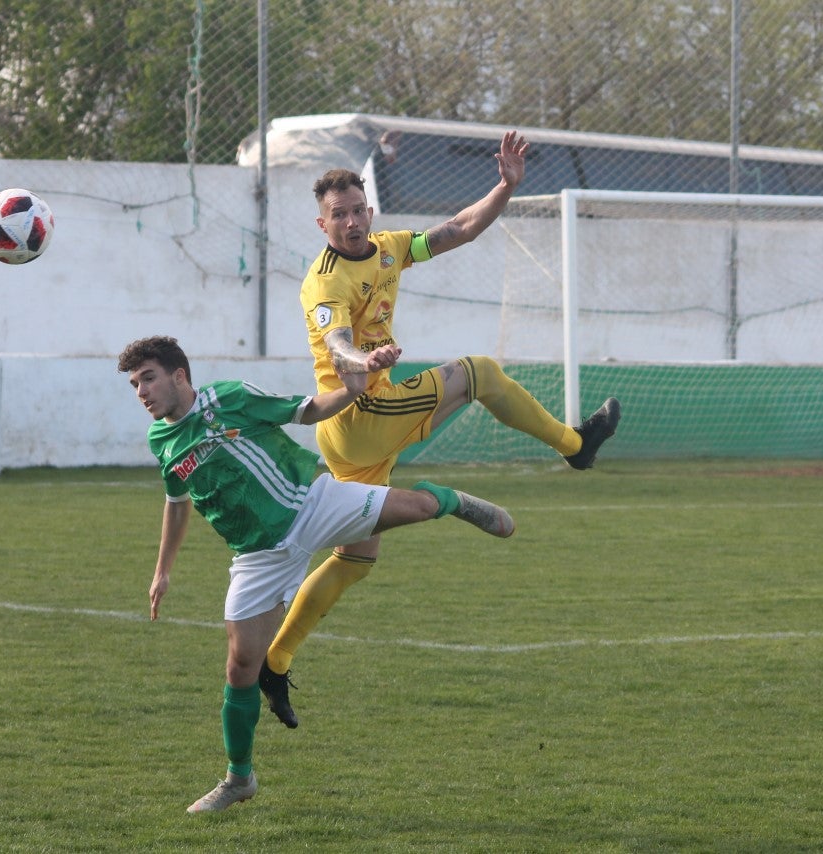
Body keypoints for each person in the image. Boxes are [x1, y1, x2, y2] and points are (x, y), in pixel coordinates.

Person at [257, 132, 620, 729]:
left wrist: (504, 187)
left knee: (356, 556)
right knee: (480, 373)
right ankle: (577, 447)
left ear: (370, 211)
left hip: (354, 435)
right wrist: (365, 361)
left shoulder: (389, 248)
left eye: (357, 210)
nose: (351, 222)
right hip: (361, 413)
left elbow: (458, 229)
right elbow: (337, 343)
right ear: (322, 224)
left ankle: (275, 661)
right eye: (338, 215)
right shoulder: (324, 282)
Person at [118, 335, 514, 813]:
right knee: (241, 667)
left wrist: (352, 389)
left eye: (148, 378)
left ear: (179, 375)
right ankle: (239, 779)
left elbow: (305, 410)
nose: (141, 391)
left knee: (418, 508)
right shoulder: (161, 440)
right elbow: (177, 504)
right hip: (258, 556)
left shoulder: (227, 398)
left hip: (311, 504)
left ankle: (451, 500)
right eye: (135, 384)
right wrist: (162, 571)